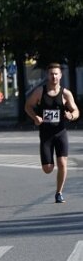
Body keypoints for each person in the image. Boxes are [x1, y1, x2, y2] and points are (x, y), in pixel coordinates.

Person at [24, 62, 80, 203]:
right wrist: (35, 117)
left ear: (60, 75)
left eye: (56, 74)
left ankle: (59, 193)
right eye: (51, 74)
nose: (54, 76)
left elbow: (76, 111)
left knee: (62, 163)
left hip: (60, 132)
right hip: (46, 134)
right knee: (48, 169)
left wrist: (71, 116)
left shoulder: (66, 94)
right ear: (47, 75)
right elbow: (27, 106)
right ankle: (49, 162)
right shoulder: (40, 92)